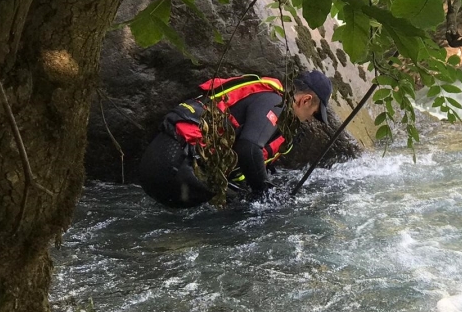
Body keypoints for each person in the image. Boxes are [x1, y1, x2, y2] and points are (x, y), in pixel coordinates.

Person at [138, 70, 332, 208]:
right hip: (177, 167)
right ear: (305, 100)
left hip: (156, 164)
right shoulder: (276, 103)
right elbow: (248, 148)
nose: (308, 120)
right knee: (261, 215)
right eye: (314, 114)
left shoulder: (263, 96)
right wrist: (266, 194)